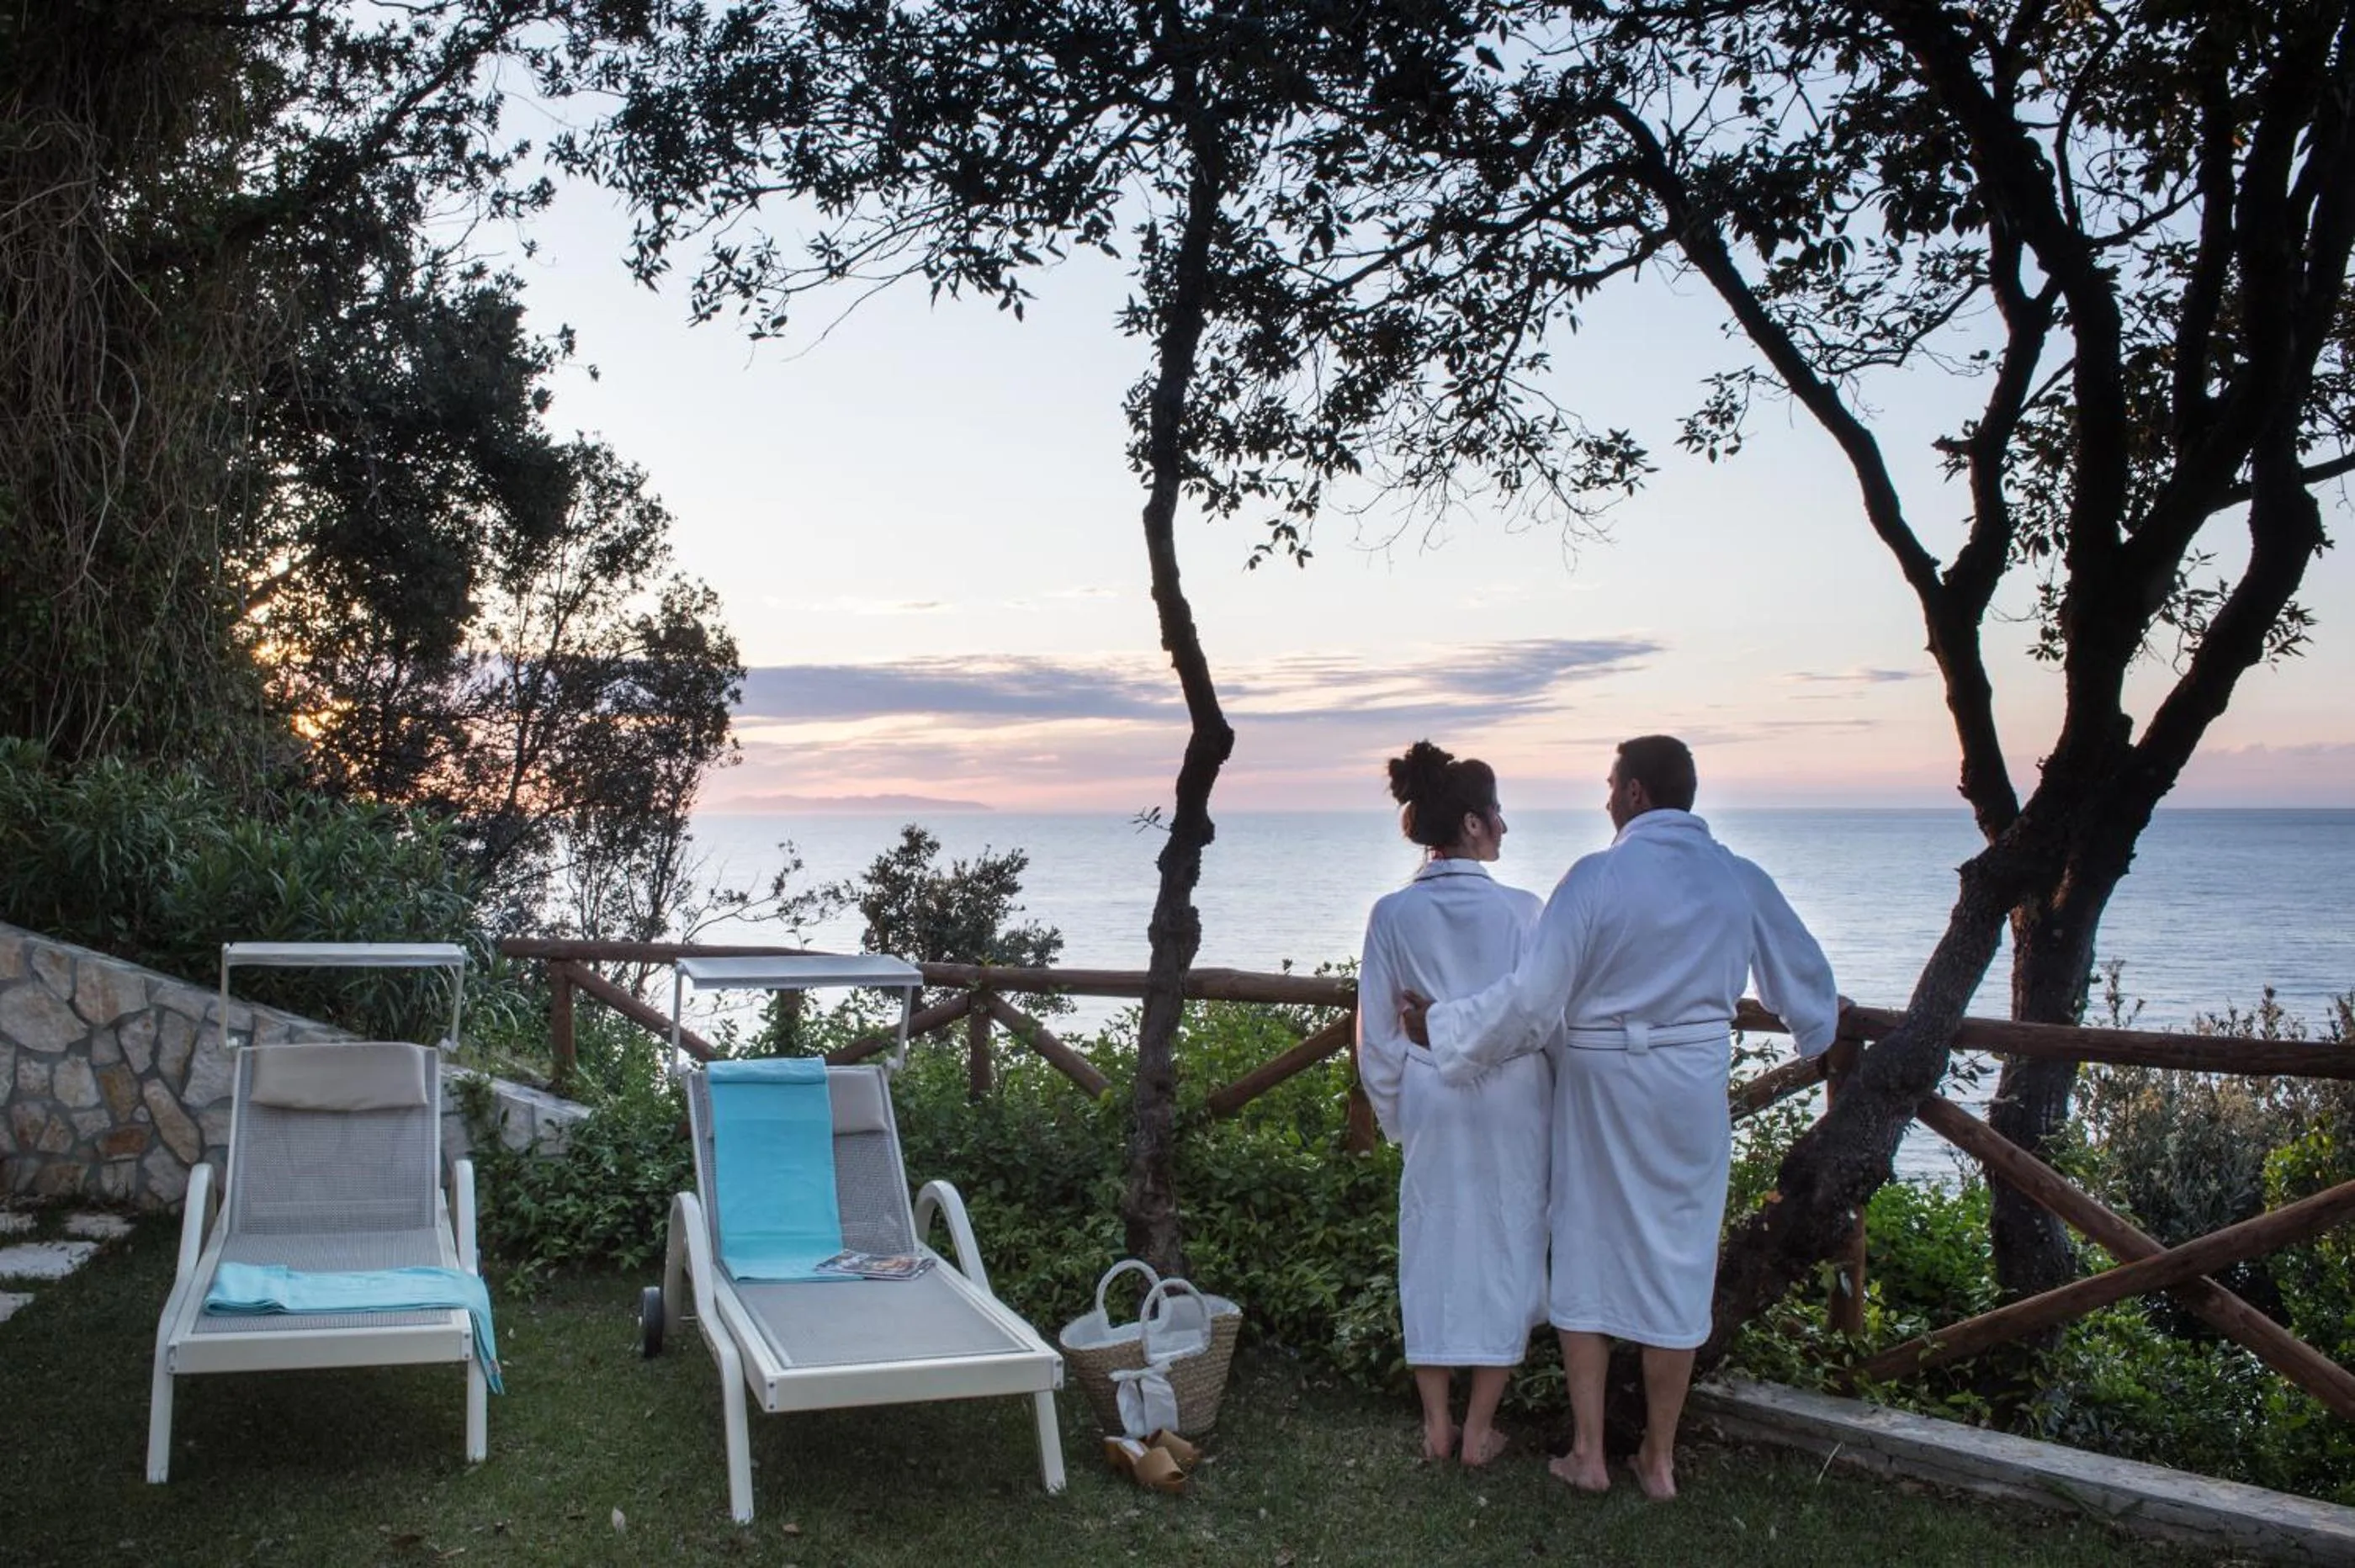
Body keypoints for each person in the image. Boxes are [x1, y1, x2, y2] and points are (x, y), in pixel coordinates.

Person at [1402, 735, 1838, 1500]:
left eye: (1610, 785)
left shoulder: (1595, 878)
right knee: (1679, 1258)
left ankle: (1589, 1453)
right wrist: (1820, 1038)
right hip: (1691, 1082)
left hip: (1601, 1082)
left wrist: (1444, 1025)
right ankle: (1660, 1461)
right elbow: (1804, 983)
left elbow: (1534, 1004)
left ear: (1635, 793)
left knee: (1584, 1252)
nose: (1605, 799)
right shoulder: (1737, 879)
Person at [1356, 740, 1551, 1466]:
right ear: (1472, 823)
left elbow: (1376, 1040)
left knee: (1432, 1249)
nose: (1504, 826)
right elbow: (1544, 1018)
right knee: (1508, 1244)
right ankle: (1478, 1430)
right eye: (1497, 813)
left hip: (1429, 1093)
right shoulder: (1525, 913)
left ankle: (1435, 1423)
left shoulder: (1393, 915)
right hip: (1512, 1098)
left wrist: (1398, 1115)